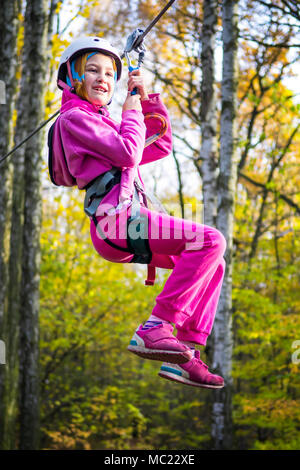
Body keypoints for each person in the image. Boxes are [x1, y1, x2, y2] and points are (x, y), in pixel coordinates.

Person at [51, 36, 227, 389]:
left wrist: (144, 97)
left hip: (124, 224)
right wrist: (130, 109)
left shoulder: (104, 126)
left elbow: (158, 143)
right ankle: (156, 326)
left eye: (109, 73)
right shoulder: (74, 118)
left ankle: (185, 353)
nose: (103, 77)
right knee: (210, 241)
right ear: (73, 76)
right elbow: (130, 152)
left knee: (213, 262)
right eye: (92, 70)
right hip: (116, 221)